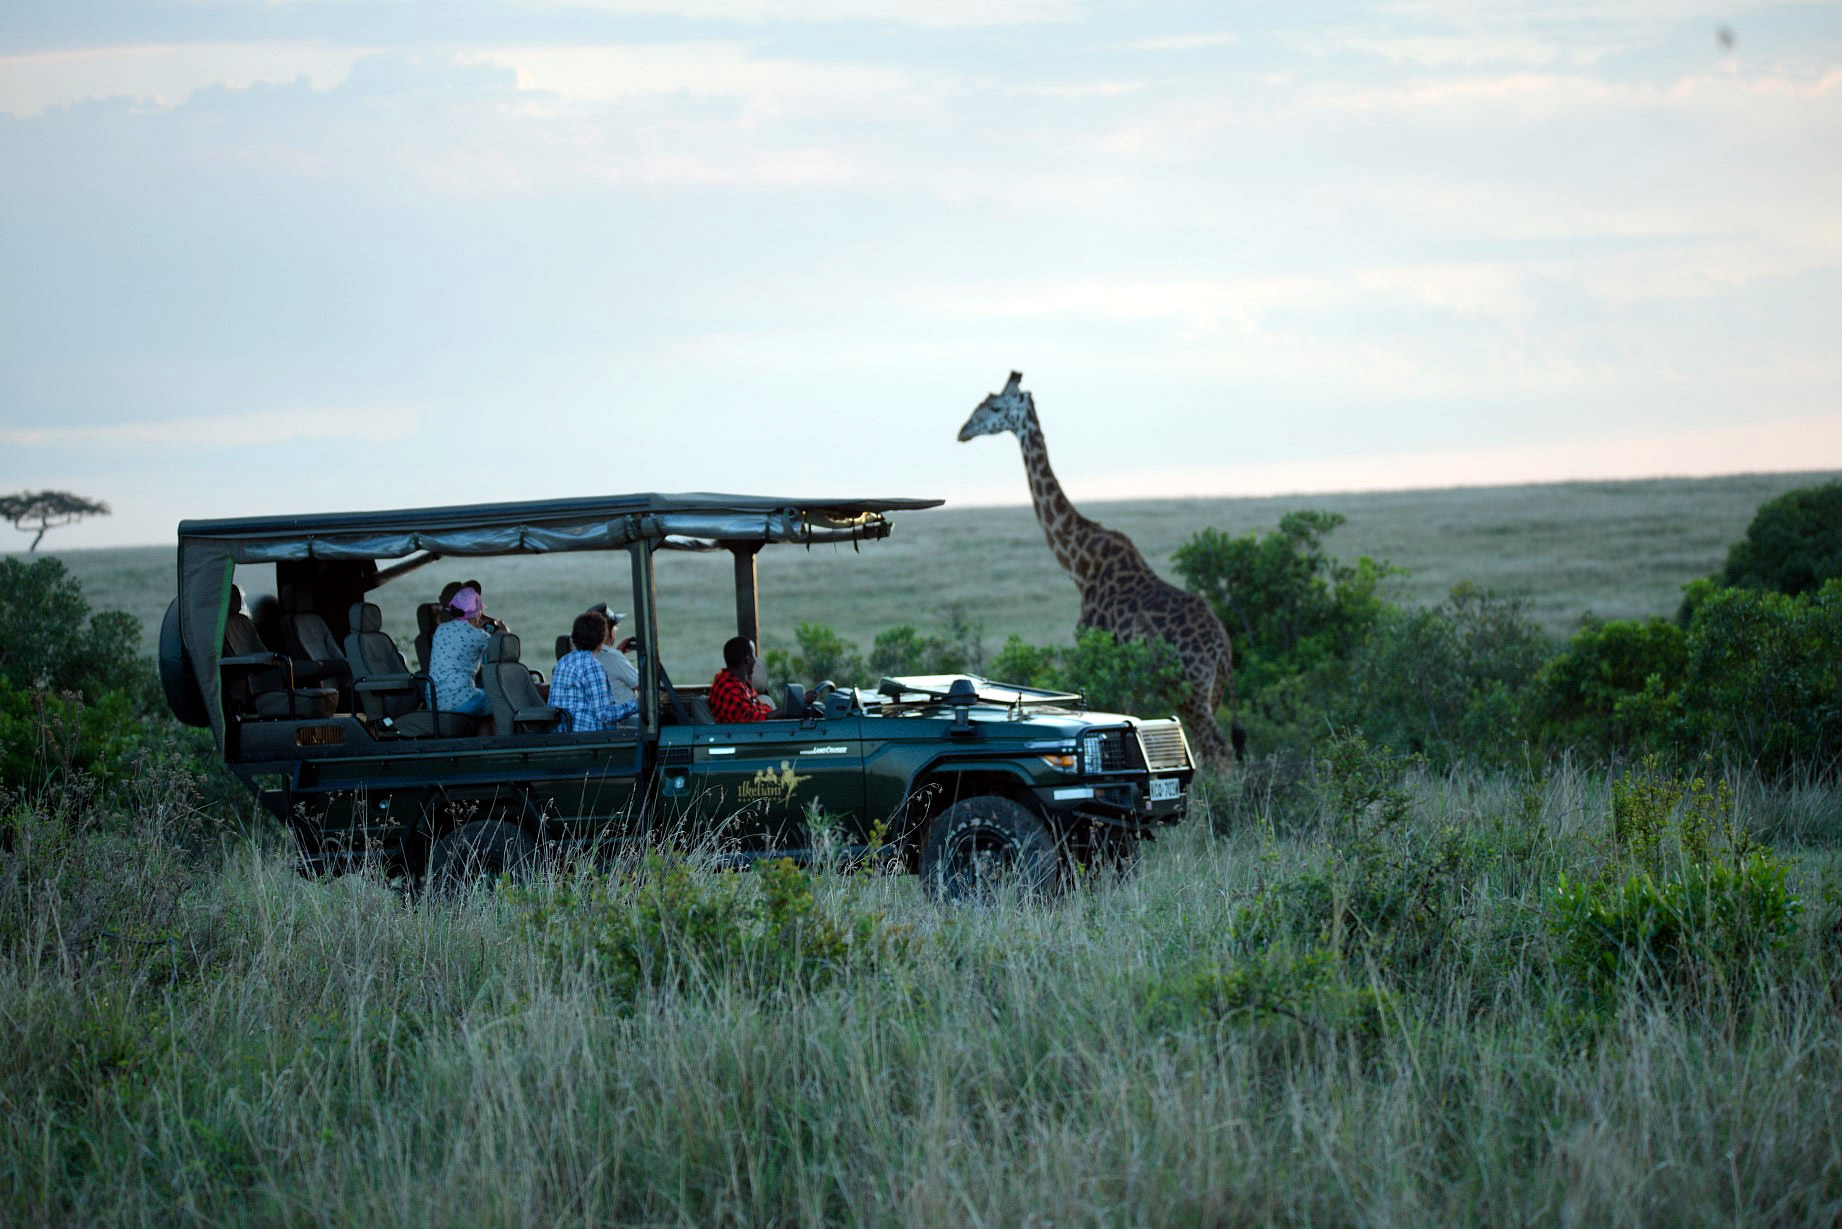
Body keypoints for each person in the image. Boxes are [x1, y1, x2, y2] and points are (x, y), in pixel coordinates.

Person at [551, 613, 639, 732]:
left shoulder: (563, 662)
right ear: (602, 639)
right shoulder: (593, 666)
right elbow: (604, 714)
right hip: (589, 737)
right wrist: (637, 705)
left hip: (564, 735)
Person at [428, 585, 495, 720]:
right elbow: (504, 640)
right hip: (461, 702)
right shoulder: (480, 636)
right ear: (479, 610)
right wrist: (493, 623)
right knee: (502, 700)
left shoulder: (440, 629)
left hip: (434, 703)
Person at [709, 635, 777, 722]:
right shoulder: (727, 687)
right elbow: (749, 719)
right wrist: (781, 712)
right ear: (747, 659)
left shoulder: (742, 684)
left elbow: (759, 709)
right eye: (753, 656)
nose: (755, 660)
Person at [589, 603, 640, 706]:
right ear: (609, 632)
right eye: (615, 626)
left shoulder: (580, 656)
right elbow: (643, 684)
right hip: (625, 720)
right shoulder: (613, 657)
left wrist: (619, 653)